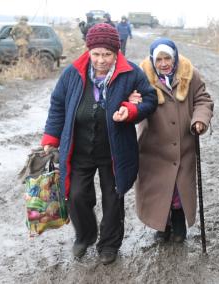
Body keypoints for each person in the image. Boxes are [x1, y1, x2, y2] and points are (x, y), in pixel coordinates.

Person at [41, 23, 157, 264]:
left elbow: (150, 99)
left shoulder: (131, 72)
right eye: (96, 54)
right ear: (88, 51)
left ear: (117, 53)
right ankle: (85, 235)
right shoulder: (73, 72)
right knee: (75, 195)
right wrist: (51, 138)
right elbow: (58, 105)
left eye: (107, 54)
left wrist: (131, 109)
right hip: (79, 148)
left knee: (113, 198)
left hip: (115, 151)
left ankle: (109, 245)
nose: (101, 60)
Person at [132, 38, 213, 243]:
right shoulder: (142, 78)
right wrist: (132, 105)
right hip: (154, 147)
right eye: (158, 59)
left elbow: (203, 100)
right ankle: (162, 225)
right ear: (152, 61)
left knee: (178, 188)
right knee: (159, 188)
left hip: (183, 145)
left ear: (175, 57)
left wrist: (199, 120)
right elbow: (133, 104)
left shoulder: (189, 75)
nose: (164, 63)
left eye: (167, 58)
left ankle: (178, 223)